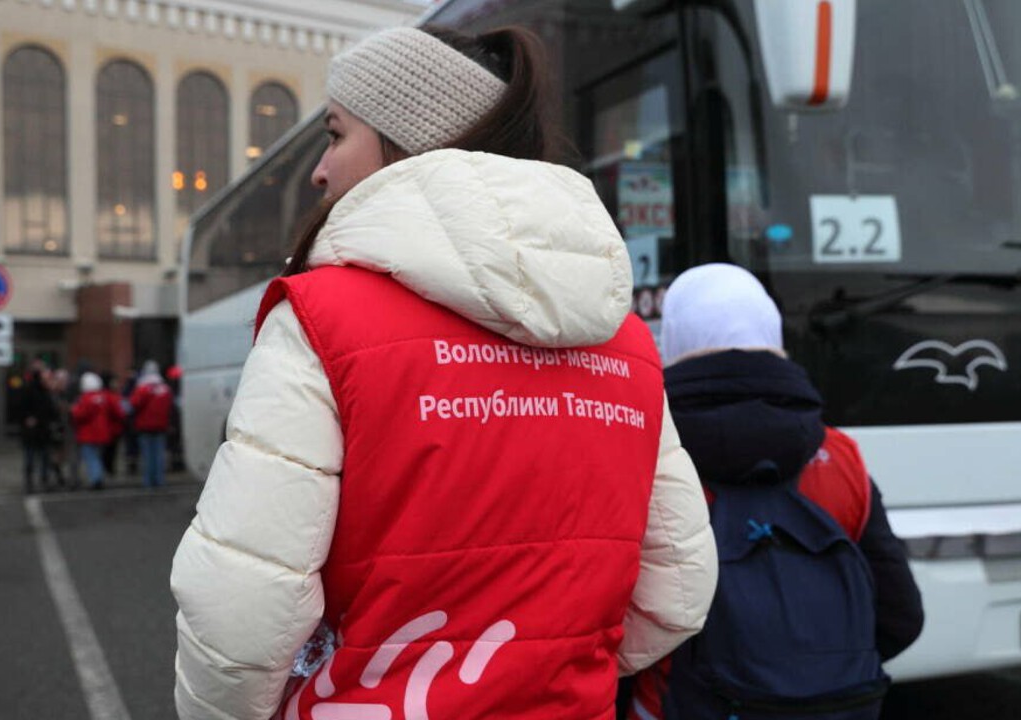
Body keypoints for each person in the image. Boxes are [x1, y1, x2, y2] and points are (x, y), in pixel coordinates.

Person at [170, 25, 717, 720]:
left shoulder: (320, 317)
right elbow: (678, 591)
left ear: (407, 143)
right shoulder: (627, 340)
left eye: (336, 135)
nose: (319, 170)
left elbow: (237, 611)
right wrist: (543, 663)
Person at [628, 264, 924, 720]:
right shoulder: (842, 459)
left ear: (671, 344)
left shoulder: (650, 458)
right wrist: (809, 684)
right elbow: (901, 616)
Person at [70, 371, 124, 490]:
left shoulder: (85, 399)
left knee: (91, 458)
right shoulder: (105, 396)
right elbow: (117, 412)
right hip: (103, 433)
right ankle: (99, 477)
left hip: (88, 434)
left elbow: (79, 415)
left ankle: (96, 479)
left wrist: (73, 410)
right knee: (98, 457)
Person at [130, 360, 173, 488]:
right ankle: (159, 480)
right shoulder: (165, 389)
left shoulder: (143, 388)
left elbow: (134, 403)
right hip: (161, 426)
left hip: (145, 426)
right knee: (159, 455)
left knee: (147, 456)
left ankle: (148, 481)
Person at [20, 361, 58, 493]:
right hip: (34, 431)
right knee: (33, 458)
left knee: (41, 458)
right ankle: (34, 481)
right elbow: (21, 409)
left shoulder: (44, 391)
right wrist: (27, 418)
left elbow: (51, 411)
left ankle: (42, 480)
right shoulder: (32, 391)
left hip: (41, 430)